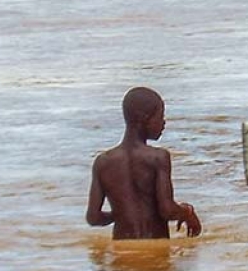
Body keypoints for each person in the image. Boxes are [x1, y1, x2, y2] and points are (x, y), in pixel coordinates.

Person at [86, 87, 202, 240]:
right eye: (160, 116)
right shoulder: (158, 157)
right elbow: (167, 210)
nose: (164, 122)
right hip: (155, 251)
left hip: (122, 254)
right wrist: (188, 212)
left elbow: (93, 218)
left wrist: (120, 213)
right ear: (144, 119)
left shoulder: (102, 162)